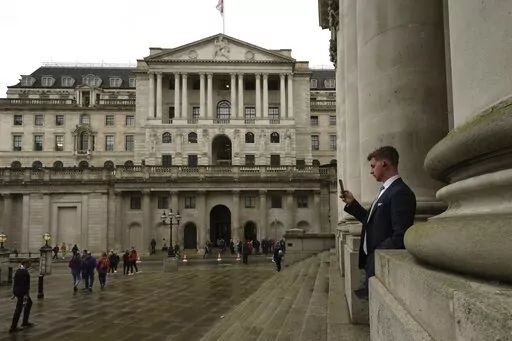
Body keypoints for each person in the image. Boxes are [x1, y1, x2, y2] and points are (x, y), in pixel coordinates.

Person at [340, 146, 416, 299]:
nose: (370, 170)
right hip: (372, 262)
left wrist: (376, 253)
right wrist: (352, 203)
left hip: (380, 260)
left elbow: (401, 235)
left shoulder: (400, 192)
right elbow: (371, 221)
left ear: (385, 164)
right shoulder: (385, 190)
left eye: (373, 166)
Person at [10, 259, 34, 333]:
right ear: (25, 263)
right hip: (22, 293)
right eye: (29, 264)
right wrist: (25, 294)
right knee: (19, 309)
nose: (30, 265)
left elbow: (15, 283)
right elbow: (23, 284)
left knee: (29, 304)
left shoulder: (19, 270)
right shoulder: (23, 272)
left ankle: (25, 321)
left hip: (19, 292)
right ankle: (13, 327)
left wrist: (14, 292)